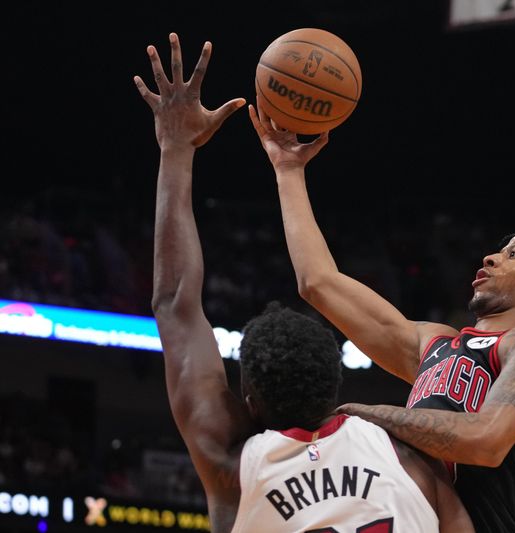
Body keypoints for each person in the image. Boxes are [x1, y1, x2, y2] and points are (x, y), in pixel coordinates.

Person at [135, 32, 474, 533]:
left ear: (248, 401)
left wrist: (176, 146)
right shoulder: (409, 464)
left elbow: (175, 303)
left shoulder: (236, 466)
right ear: (337, 383)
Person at [249, 104, 515, 531]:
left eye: (514, 254)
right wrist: (287, 170)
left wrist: (370, 415)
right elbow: (318, 283)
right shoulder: (435, 343)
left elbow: (486, 441)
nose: (491, 257)